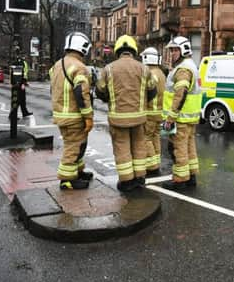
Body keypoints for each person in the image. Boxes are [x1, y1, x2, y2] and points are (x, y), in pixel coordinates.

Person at [96, 35, 157, 192]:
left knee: (122, 149)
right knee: (139, 147)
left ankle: (127, 181)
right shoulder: (144, 68)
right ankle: (139, 178)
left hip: (118, 118)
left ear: (118, 51)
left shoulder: (108, 69)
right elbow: (152, 91)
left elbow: (100, 92)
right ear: (133, 50)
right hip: (139, 117)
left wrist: (110, 98)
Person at [50, 32, 94, 190]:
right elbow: (82, 93)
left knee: (79, 144)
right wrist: (88, 117)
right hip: (74, 116)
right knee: (73, 146)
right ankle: (67, 179)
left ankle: (78, 171)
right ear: (82, 48)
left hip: (61, 114)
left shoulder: (57, 65)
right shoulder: (79, 67)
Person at [161, 36, 202, 190]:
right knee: (190, 147)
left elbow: (180, 94)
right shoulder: (191, 66)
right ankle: (191, 176)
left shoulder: (183, 69)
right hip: (189, 118)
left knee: (179, 149)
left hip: (180, 118)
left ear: (183, 51)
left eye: (175, 50)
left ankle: (180, 179)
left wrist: (171, 117)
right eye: (171, 50)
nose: (172, 53)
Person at [141, 47, 166, 177]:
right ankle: (156, 162)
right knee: (155, 137)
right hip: (159, 113)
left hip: (150, 113)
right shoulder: (161, 73)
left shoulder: (149, 74)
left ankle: (151, 166)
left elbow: (144, 94)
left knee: (146, 138)